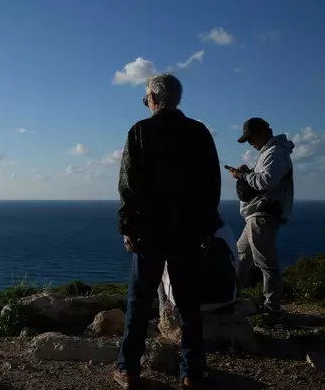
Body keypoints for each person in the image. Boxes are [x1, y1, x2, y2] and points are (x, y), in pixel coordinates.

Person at [114, 73, 221, 390]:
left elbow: (128, 186)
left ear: (153, 98)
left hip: (150, 234)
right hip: (188, 233)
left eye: (145, 96)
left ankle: (129, 369)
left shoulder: (141, 131)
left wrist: (128, 227)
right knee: (189, 305)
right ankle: (191, 371)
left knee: (139, 302)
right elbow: (211, 186)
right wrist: (204, 227)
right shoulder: (199, 133)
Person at [231, 118, 294, 314]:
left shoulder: (276, 152)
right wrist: (248, 173)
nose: (250, 142)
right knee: (241, 256)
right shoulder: (269, 152)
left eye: (250, 137)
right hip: (257, 214)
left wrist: (243, 176)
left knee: (265, 262)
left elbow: (267, 181)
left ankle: (272, 307)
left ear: (262, 131)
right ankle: (233, 297)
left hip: (264, 213)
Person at [158, 216, 238, 315]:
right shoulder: (225, 230)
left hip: (185, 304)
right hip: (226, 298)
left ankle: (164, 310)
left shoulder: (176, 231)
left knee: (157, 259)